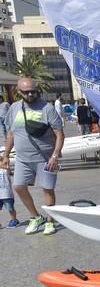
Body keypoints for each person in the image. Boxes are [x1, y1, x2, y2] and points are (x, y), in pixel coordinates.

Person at [0, 77, 64, 235]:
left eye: (33, 91)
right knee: (19, 187)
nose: (30, 95)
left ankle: (50, 220)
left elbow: (59, 134)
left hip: (46, 158)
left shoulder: (47, 108)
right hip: (23, 159)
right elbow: (11, 134)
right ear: (19, 92)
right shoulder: (14, 108)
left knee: (48, 189)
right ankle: (35, 217)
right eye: (26, 92)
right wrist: (6, 155)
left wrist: (55, 156)